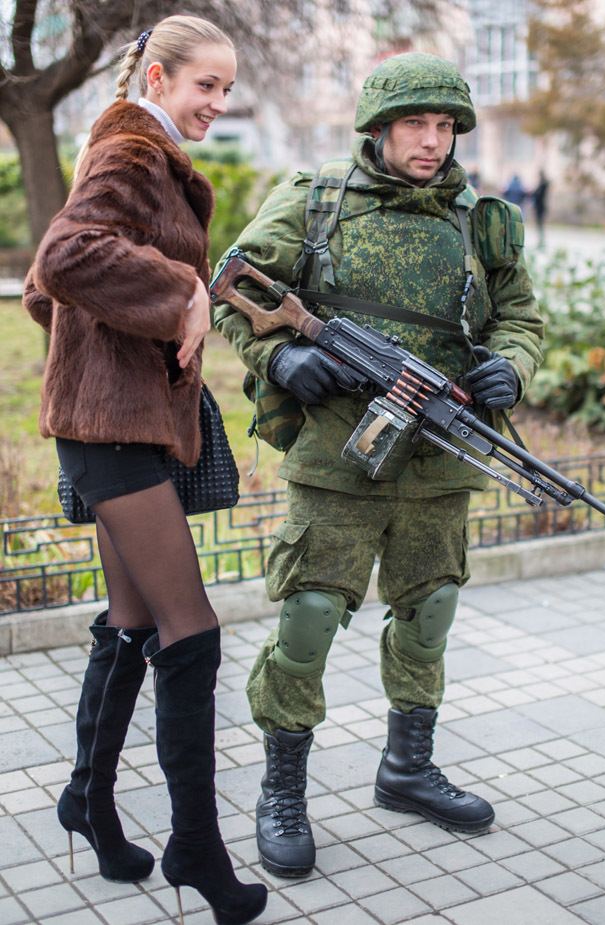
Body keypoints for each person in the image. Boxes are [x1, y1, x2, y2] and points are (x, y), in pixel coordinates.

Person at [214, 52, 544, 879]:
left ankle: (405, 769)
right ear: (377, 127)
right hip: (337, 457)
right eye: (414, 125)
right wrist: (279, 359)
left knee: (429, 609)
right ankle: (282, 788)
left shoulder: (486, 220)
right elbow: (231, 287)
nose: (431, 141)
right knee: (311, 616)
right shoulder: (315, 199)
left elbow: (521, 316)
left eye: (444, 127)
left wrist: (512, 363)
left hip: (441, 454)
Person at [22, 15, 267, 925]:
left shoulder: (127, 148)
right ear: (159, 77)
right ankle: (197, 849)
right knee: (188, 628)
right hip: (112, 429)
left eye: (228, 90)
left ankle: (87, 798)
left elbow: (44, 293)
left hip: (113, 417)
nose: (218, 103)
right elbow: (64, 260)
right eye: (206, 86)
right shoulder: (131, 150)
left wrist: (101, 345)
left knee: (130, 621)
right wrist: (180, 297)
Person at [532, 169, 550, 248]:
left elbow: (536, 194)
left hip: (540, 207)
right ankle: (541, 240)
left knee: (540, 225)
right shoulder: (541, 184)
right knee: (539, 225)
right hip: (539, 207)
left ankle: (541, 241)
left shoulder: (543, 185)